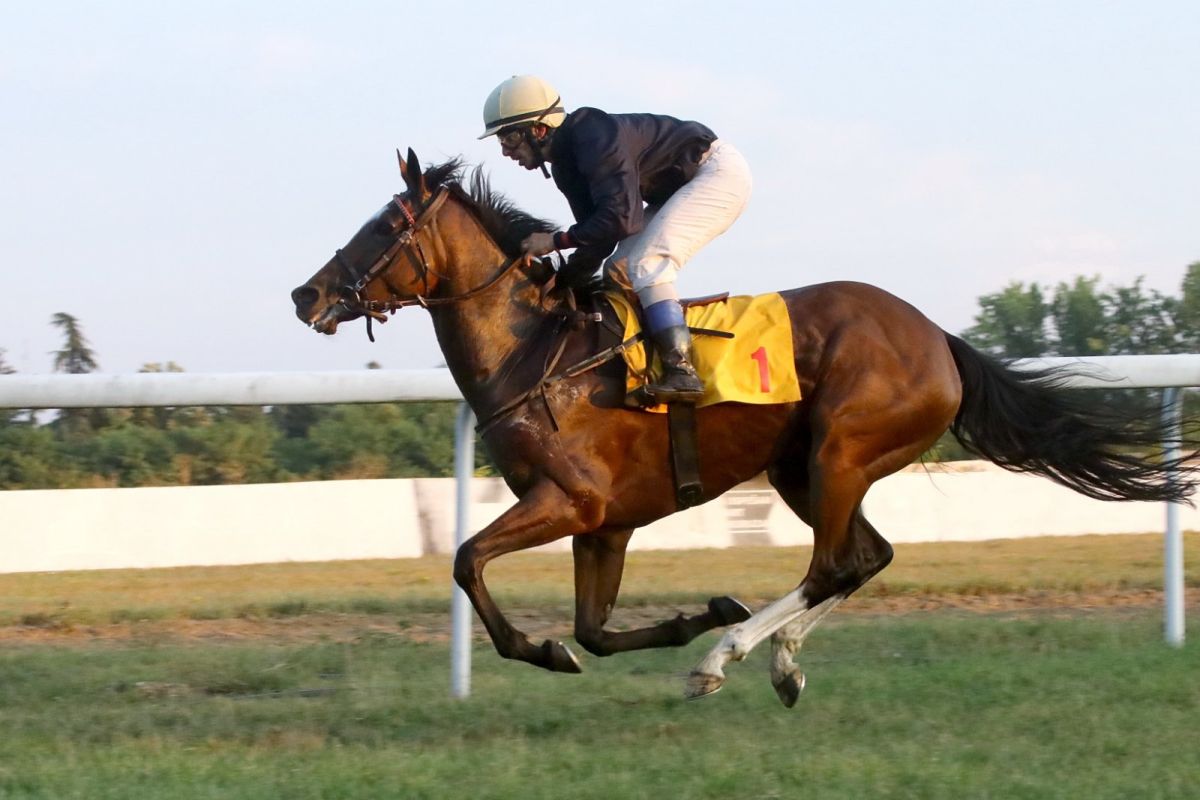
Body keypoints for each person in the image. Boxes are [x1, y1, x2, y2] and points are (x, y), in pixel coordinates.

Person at [479, 75, 752, 403]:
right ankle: (644, 362)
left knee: (648, 262)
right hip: (676, 189)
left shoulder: (594, 138)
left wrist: (554, 241)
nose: (506, 151)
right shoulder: (567, 167)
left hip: (716, 174)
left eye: (508, 138)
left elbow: (620, 219)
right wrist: (564, 280)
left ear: (538, 130)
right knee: (619, 269)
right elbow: (599, 237)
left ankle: (681, 370)